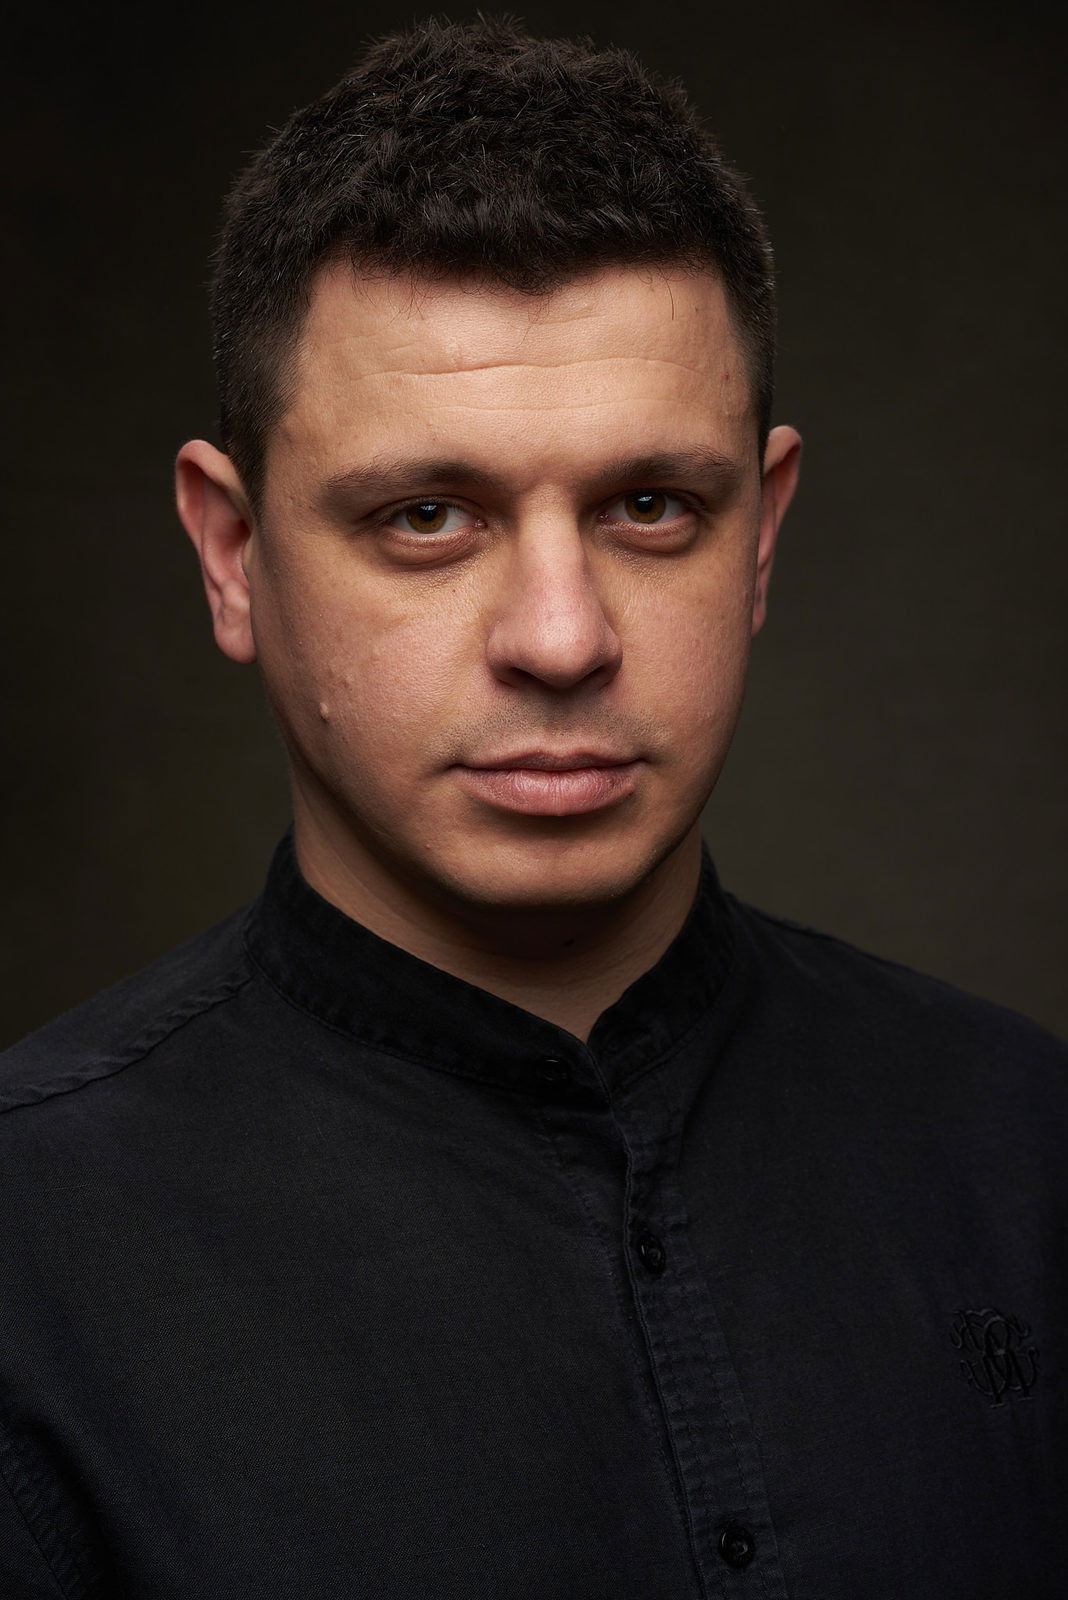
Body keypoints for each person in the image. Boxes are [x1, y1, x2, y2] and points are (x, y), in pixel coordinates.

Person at [0, 15, 1063, 1597]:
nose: (561, 640)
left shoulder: (1029, 1148)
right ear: (232, 554)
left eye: (652, 505)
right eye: (427, 515)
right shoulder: (27, 1258)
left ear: (762, 536)